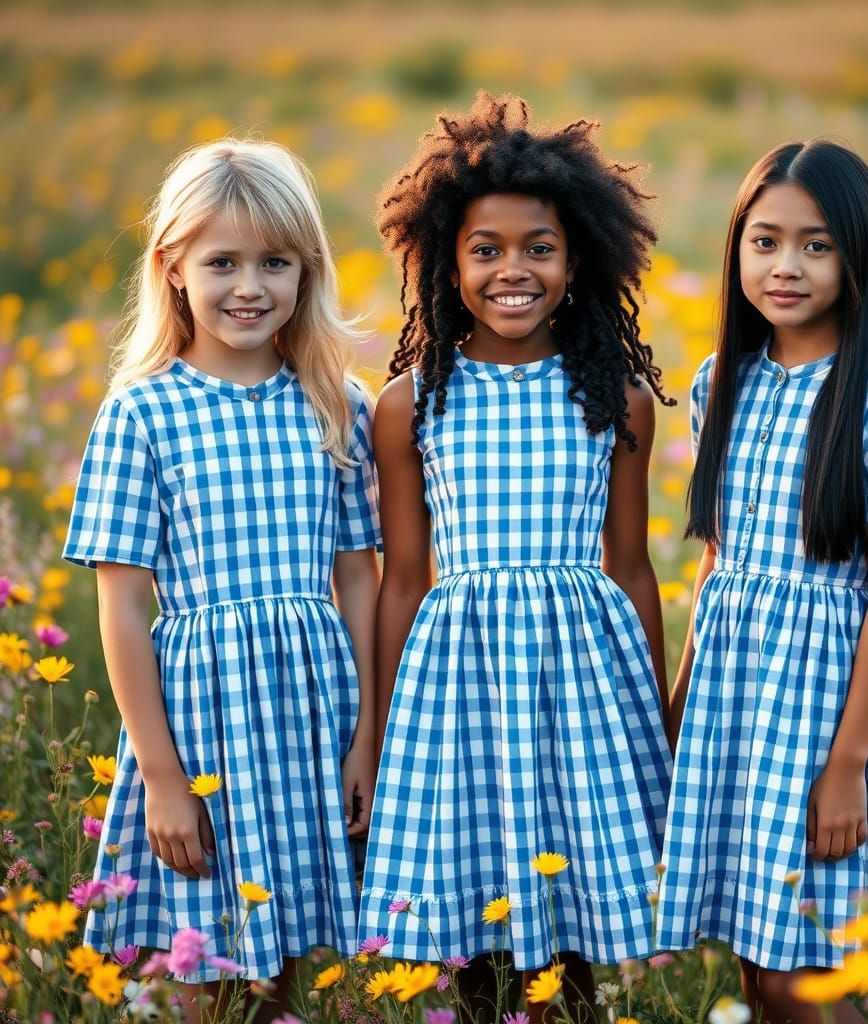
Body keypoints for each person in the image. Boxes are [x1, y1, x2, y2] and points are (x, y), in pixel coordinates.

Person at [359, 92, 673, 1023]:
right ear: (446, 265)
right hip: (457, 688)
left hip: (583, 689)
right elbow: (404, 580)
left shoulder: (617, 397)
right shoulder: (410, 405)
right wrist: (375, 732)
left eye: (539, 248)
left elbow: (630, 565)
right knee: (471, 927)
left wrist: (650, 718)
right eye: (485, 250)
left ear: (579, 258)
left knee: (572, 928)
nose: (513, 271)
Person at [63, 138, 380, 1023]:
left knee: (290, 960)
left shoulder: (335, 403)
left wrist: (363, 737)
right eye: (223, 262)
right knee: (204, 960)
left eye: (275, 263)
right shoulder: (141, 411)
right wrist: (162, 774)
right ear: (172, 267)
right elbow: (122, 607)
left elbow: (359, 578)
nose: (251, 286)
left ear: (306, 269)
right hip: (202, 724)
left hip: (315, 713)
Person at [658, 140, 868, 1023]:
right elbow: (718, 556)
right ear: (736, 250)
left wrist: (848, 762)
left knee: (803, 969)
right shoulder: (724, 379)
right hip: (733, 695)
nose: (785, 266)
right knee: (754, 963)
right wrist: (682, 696)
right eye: (765, 241)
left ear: (857, 256)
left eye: (816, 245)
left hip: (827, 701)